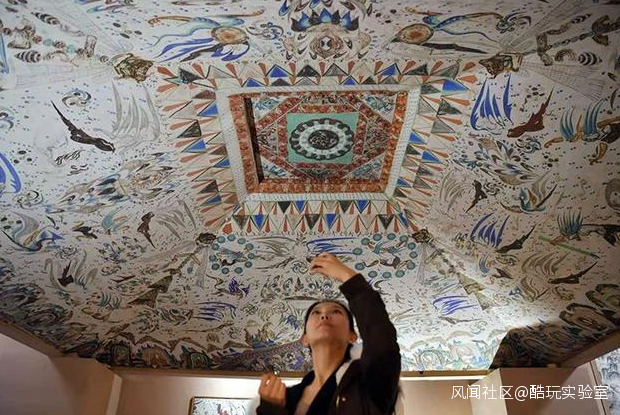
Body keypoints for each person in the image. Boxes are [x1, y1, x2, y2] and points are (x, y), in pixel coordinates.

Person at [255, 252, 401, 415]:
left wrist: (348, 277)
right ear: (305, 339)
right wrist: (271, 409)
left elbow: (381, 340)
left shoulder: (369, 381)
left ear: (352, 336)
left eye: (336, 311)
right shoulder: (286, 398)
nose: (324, 316)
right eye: (316, 313)